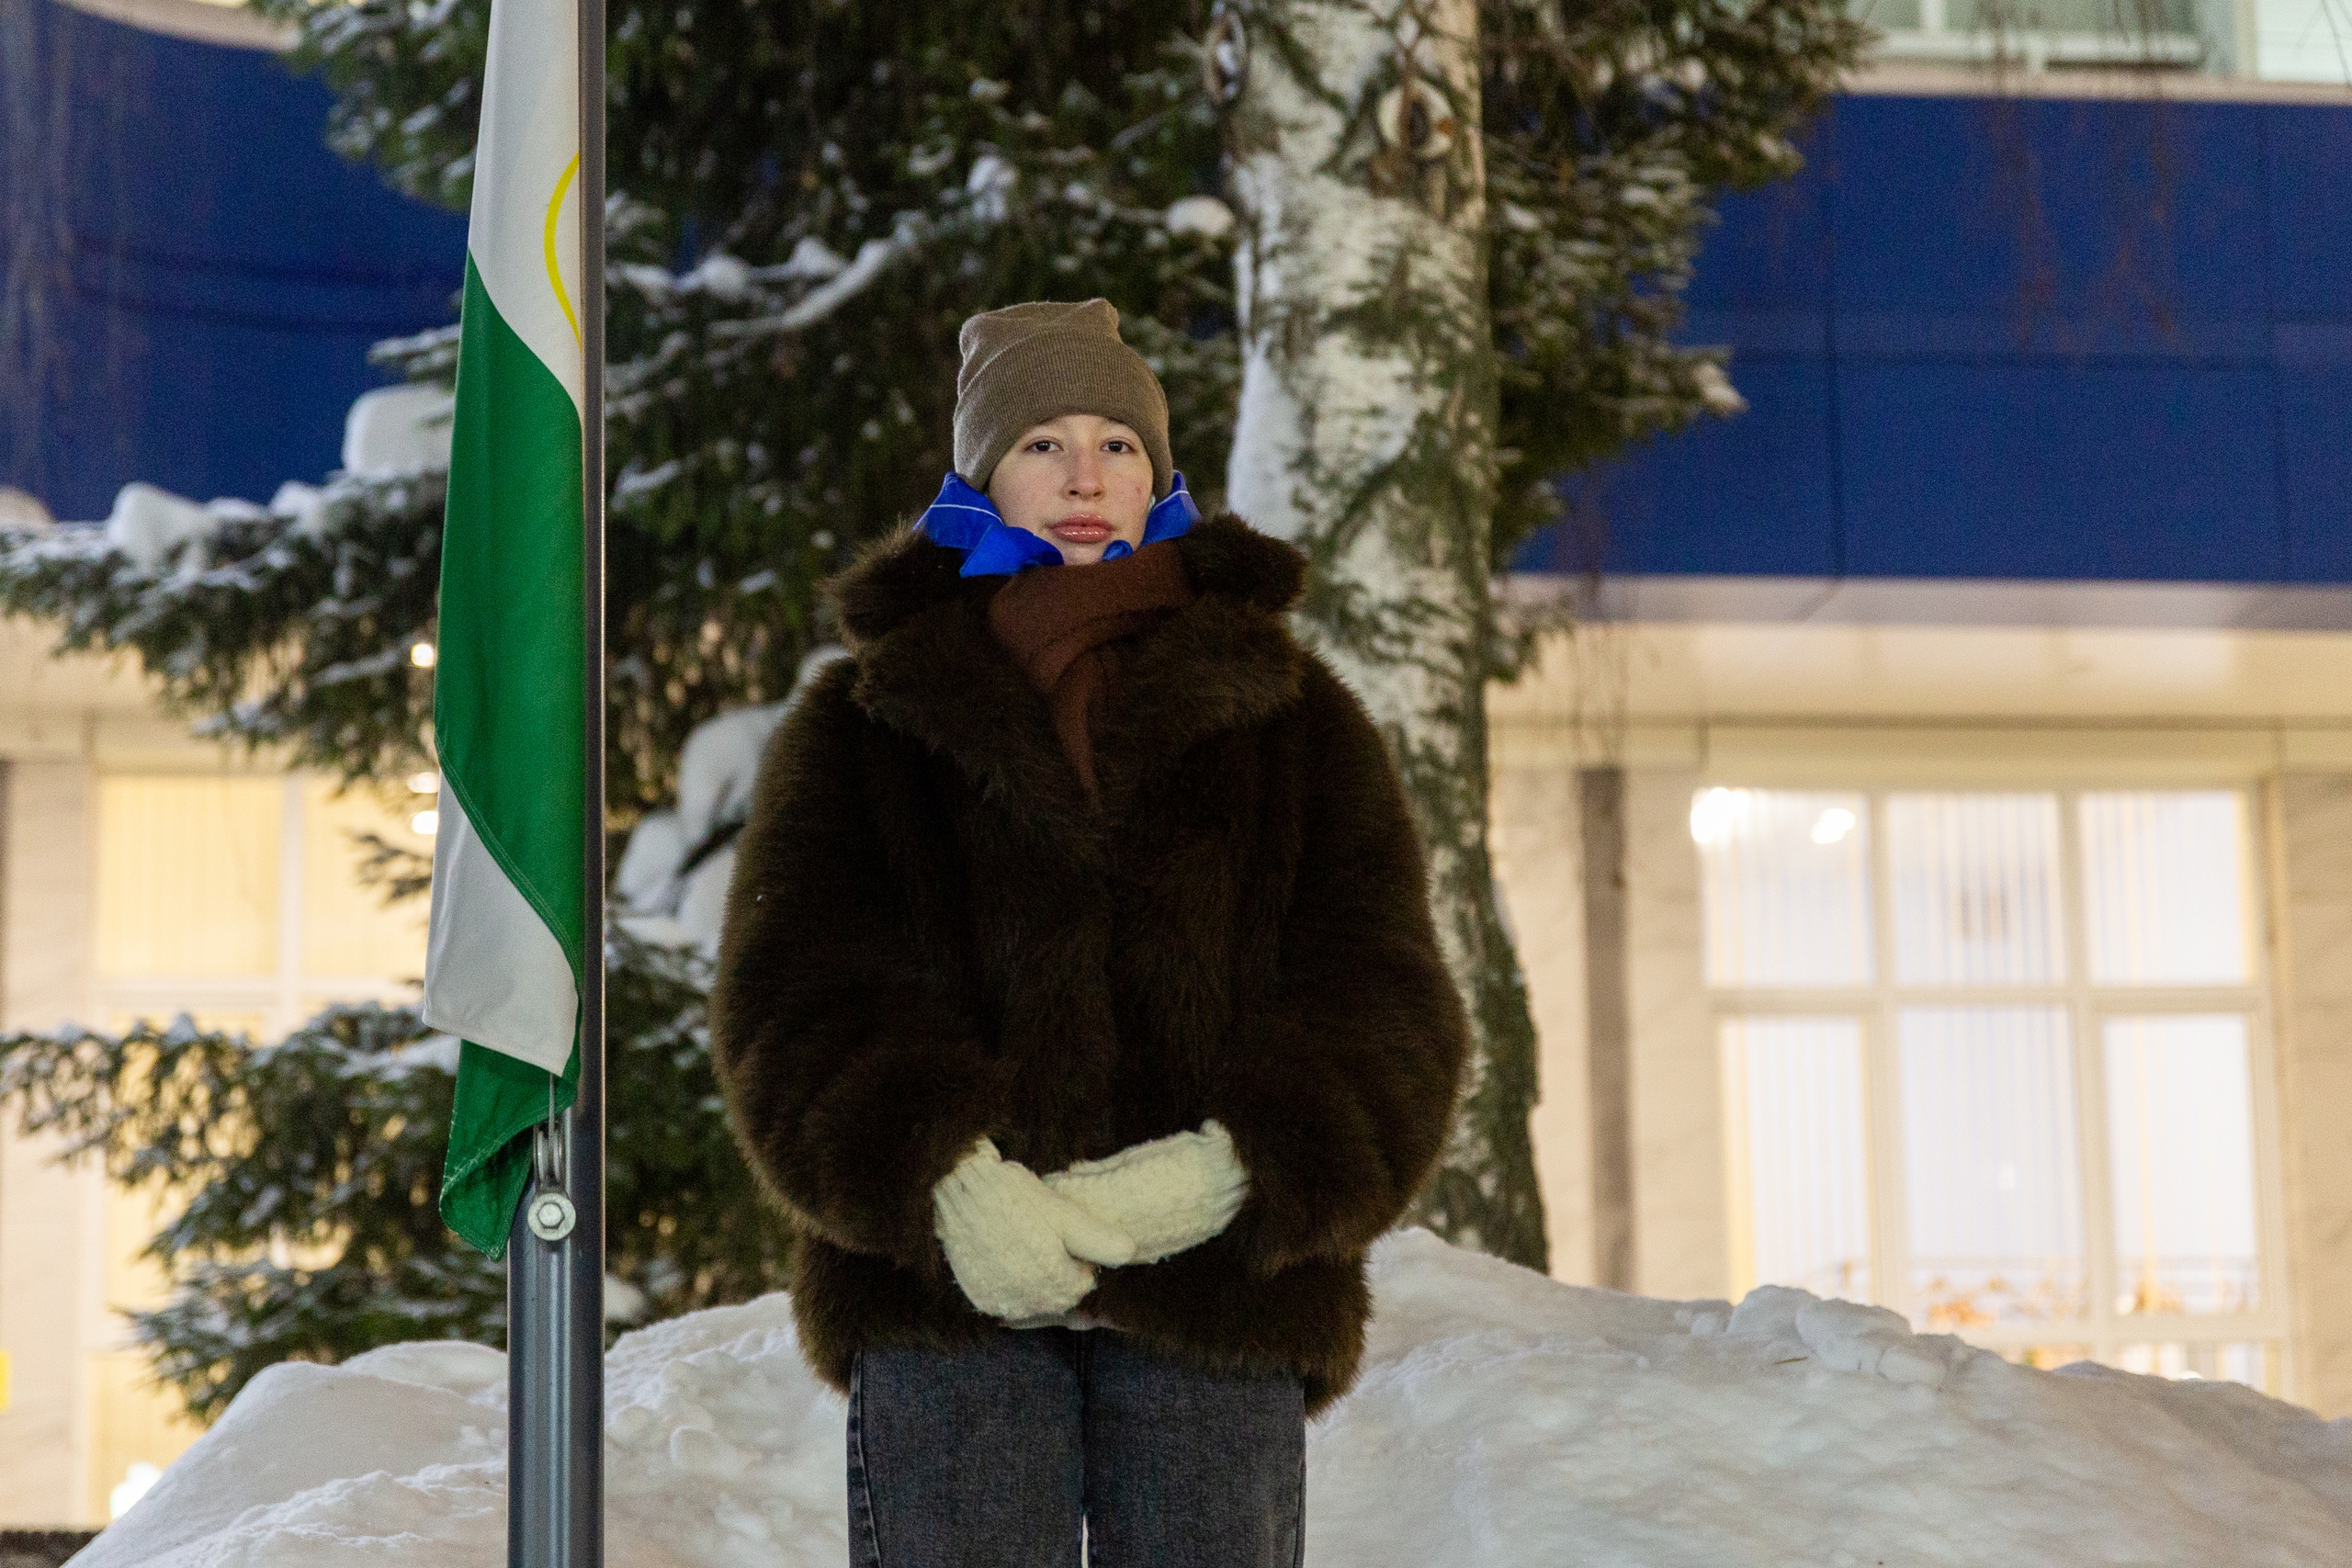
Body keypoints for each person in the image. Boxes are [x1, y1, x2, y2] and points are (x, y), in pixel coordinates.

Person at [710, 299, 1468, 1568]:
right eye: (1042, 444)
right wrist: (949, 1184)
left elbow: (1383, 994)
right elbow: (793, 996)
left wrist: (1234, 1170)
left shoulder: (1295, 717)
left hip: (1214, 1302)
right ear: (981, 477)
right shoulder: (862, 724)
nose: (1083, 476)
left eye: (1117, 445)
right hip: (949, 1305)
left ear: (1158, 476)